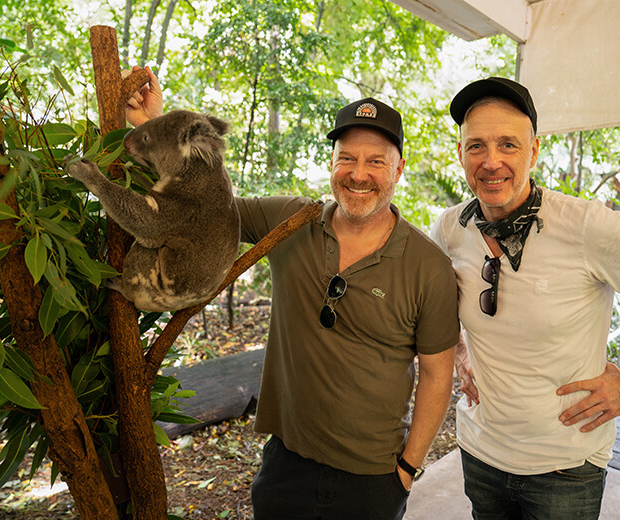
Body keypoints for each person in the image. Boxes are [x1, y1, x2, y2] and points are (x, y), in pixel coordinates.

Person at [125, 67, 460, 519]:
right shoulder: (291, 221)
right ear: (332, 163)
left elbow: (439, 376)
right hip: (286, 464)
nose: (358, 174)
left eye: (376, 161)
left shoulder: (428, 266)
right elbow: (205, 208)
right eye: (347, 158)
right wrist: (155, 126)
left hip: (373, 479)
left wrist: (406, 469)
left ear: (398, 168)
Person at [429, 77, 620, 519]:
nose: (491, 162)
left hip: (565, 467)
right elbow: (434, 300)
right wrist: (459, 352)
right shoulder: (451, 228)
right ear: (460, 154)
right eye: (476, 146)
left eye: (508, 144)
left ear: (533, 151)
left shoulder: (585, 226)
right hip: (481, 451)